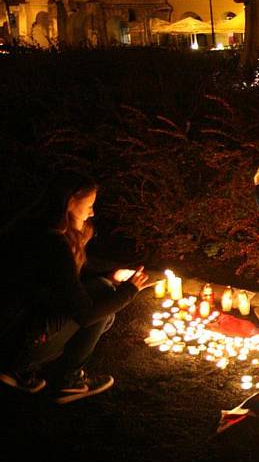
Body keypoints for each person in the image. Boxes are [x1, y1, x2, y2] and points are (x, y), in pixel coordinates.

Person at [0, 172, 149, 404]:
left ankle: (20, 370)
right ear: (70, 202)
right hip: (18, 339)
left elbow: (63, 280)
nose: (92, 212)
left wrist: (108, 275)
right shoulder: (54, 243)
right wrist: (129, 290)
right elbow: (85, 313)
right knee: (104, 297)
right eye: (89, 205)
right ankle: (66, 380)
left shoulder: (28, 227)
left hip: (11, 329)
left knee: (103, 294)